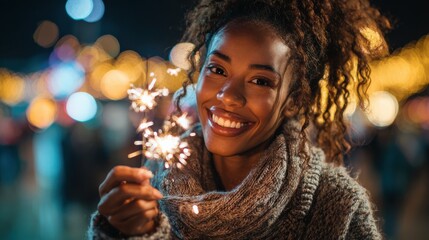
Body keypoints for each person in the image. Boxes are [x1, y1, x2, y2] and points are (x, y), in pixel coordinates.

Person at [88, 0, 391, 239]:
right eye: (218, 70)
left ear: (294, 100)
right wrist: (123, 234)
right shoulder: (153, 183)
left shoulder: (335, 205)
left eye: (260, 81)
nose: (228, 96)